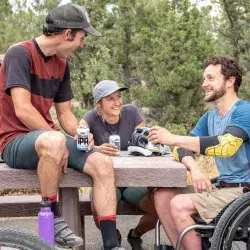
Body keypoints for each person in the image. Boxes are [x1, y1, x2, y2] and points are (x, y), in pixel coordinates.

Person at [0, 4, 124, 250]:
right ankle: (52, 216)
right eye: (81, 37)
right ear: (67, 34)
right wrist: (56, 136)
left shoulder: (62, 64)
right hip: (13, 140)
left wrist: (82, 132)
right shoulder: (19, 54)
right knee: (54, 141)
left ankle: (111, 244)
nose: (82, 44)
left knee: (101, 161)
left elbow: (65, 113)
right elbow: (23, 109)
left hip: (47, 139)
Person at [148, 55, 250, 250]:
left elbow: (226, 146)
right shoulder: (209, 117)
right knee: (162, 196)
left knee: (179, 204)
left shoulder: (245, 112)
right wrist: (194, 167)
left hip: (244, 191)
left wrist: (173, 138)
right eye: (204, 79)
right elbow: (181, 149)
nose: (204, 84)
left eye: (211, 78)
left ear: (230, 81)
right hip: (222, 187)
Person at [79, 80, 158, 250]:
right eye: (110, 99)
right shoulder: (90, 117)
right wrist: (97, 148)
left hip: (133, 183)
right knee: (97, 207)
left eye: (119, 97)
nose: (117, 103)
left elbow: (144, 144)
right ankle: (113, 238)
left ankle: (135, 234)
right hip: (105, 182)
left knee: (158, 208)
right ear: (99, 103)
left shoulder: (132, 112)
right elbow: (79, 138)